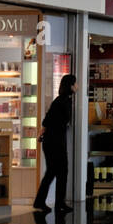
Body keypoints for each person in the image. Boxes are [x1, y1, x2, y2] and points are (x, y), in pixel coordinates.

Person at [33, 74, 76, 214]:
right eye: (75, 83)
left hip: (56, 140)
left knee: (59, 172)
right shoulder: (61, 101)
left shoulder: (65, 100)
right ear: (70, 85)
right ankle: (45, 202)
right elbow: (47, 120)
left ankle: (57, 202)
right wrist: (41, 133)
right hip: (53, 142)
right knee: (56, 171)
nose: (77, 86)